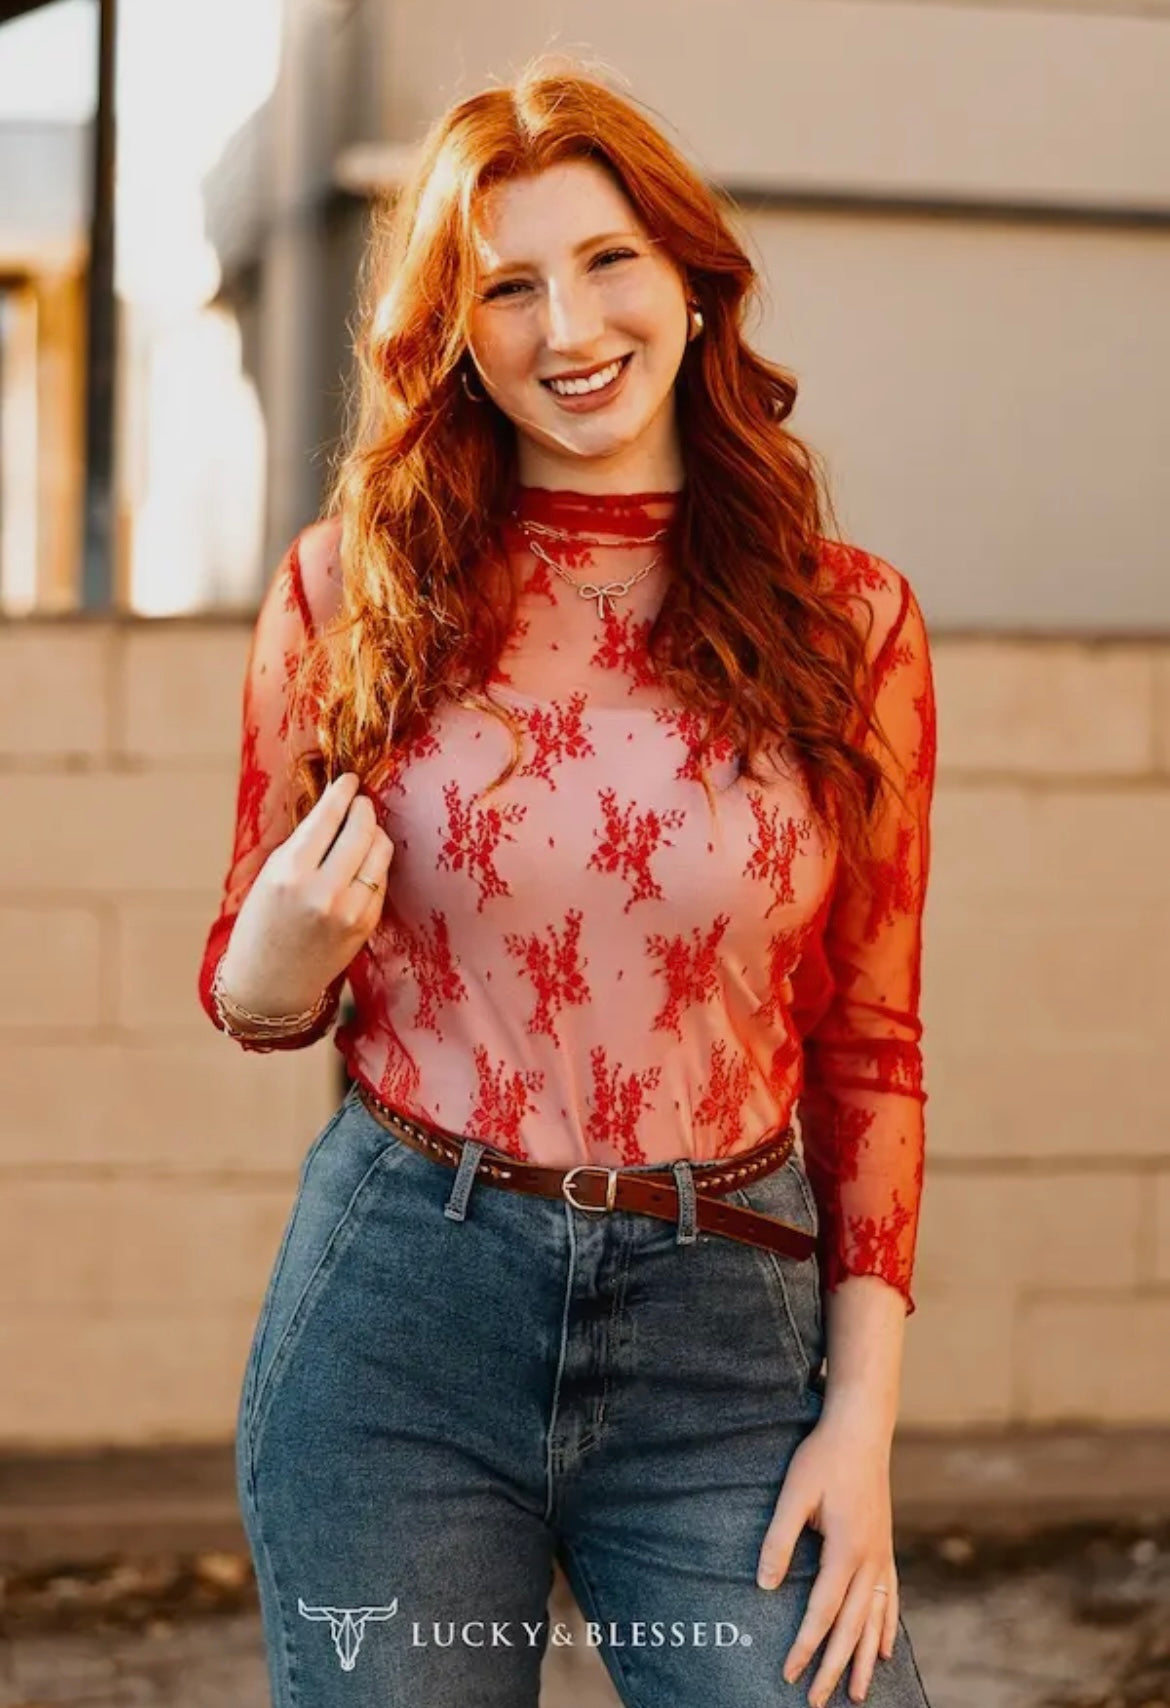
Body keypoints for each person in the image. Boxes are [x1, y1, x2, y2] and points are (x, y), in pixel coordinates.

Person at [198, 56, 937, 1708]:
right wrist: (277, 959)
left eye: (605, 260)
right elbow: (247, 993)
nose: (564, 325)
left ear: (688, 280)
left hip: (726, 1328)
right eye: (504, 284)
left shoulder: (854, 625)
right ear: (455, 330)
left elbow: (872, 1048)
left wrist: (859, 1422)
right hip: (401, 1316)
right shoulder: (349, 594)